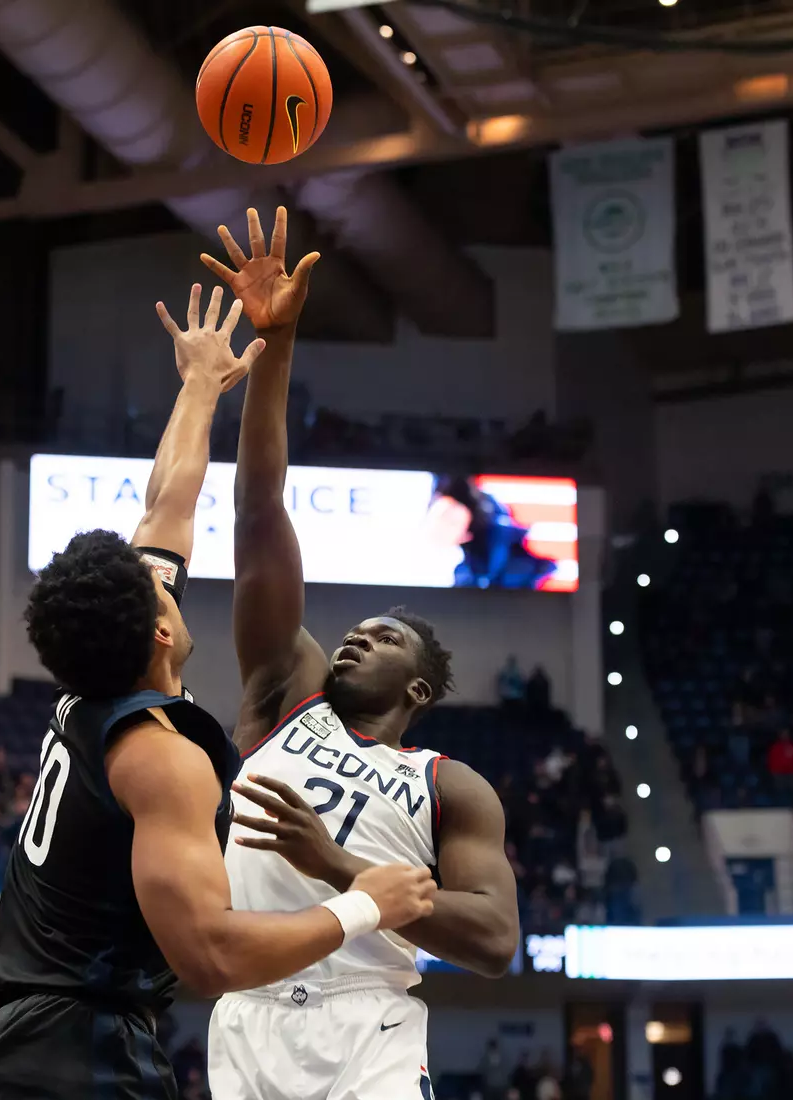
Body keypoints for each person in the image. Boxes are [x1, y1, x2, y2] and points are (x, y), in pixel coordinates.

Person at [0, 282, 435, 1100]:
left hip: (15, 1047)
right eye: (160, 591)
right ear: (160, 634)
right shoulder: (160, 759)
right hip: (77, 1059)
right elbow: (208, 955)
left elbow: (167, 501)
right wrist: (365, 905)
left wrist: (202, 383)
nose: (168, 578)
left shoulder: (95, 683)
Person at [204, 206, 520, 1100]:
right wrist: (276, 345)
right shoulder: (285, 692)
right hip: (251, 1010)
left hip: (370, 1019)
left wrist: (339, 870)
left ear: (417, 687)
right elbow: (259, 512)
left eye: (384, 637)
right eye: (356, 629)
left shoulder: (449, 785)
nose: (355, 636)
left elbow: (496, 942)